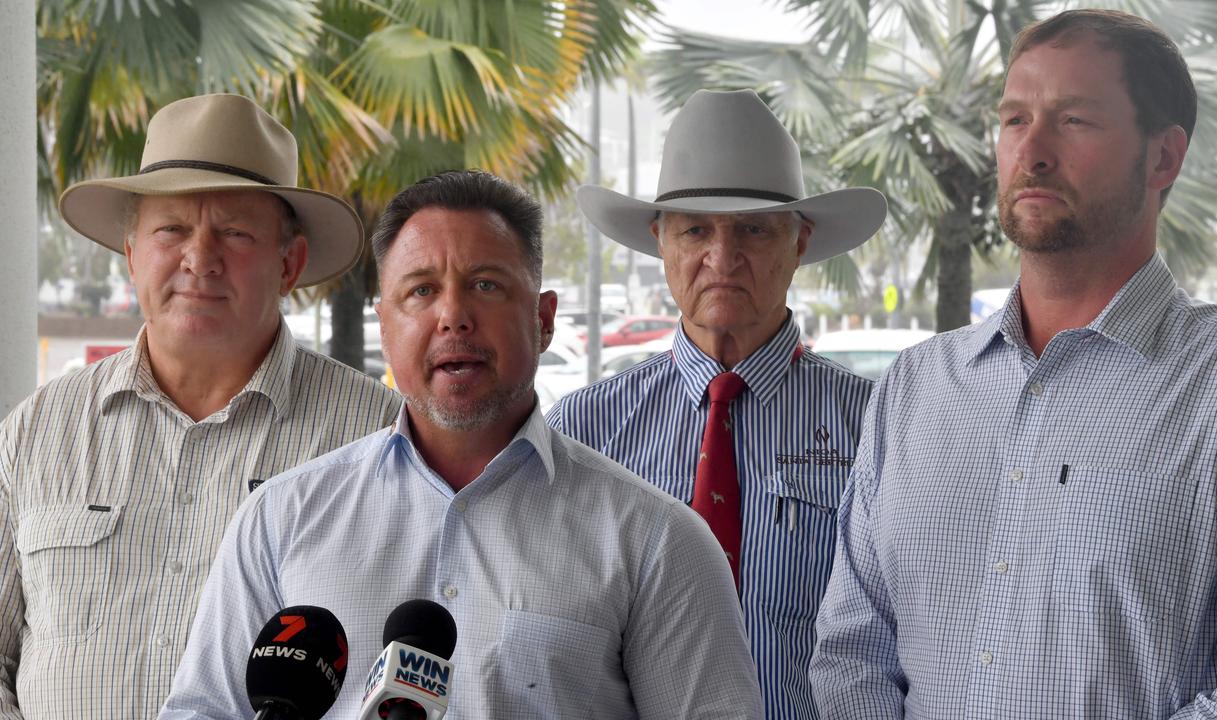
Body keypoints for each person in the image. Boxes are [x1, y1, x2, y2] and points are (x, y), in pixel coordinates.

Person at [810, 10, 1217, 719]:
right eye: (1014, 119)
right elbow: (852, 650)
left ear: (1163, 158)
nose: (1031, 150)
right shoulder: (916, 386)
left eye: (1074, 121)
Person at [158, 170, 763, 719]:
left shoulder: (657, 540)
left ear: (545, 319)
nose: (453, 316)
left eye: (485, 285)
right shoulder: (281, 519)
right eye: (420, 291)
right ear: (384, 324)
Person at [0, 93, 400, 719]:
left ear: (289, 263)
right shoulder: (35, 431)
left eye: (235, 232)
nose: (199, 258)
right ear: (132, 254)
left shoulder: (376, 436)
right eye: (172, 230)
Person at [548, 88, 888, 719]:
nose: (722, 258)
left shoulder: (876, 427)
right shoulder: (583, 428)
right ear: (659, 241)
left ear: (800, 241)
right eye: (695, 230)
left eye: (753, 230)